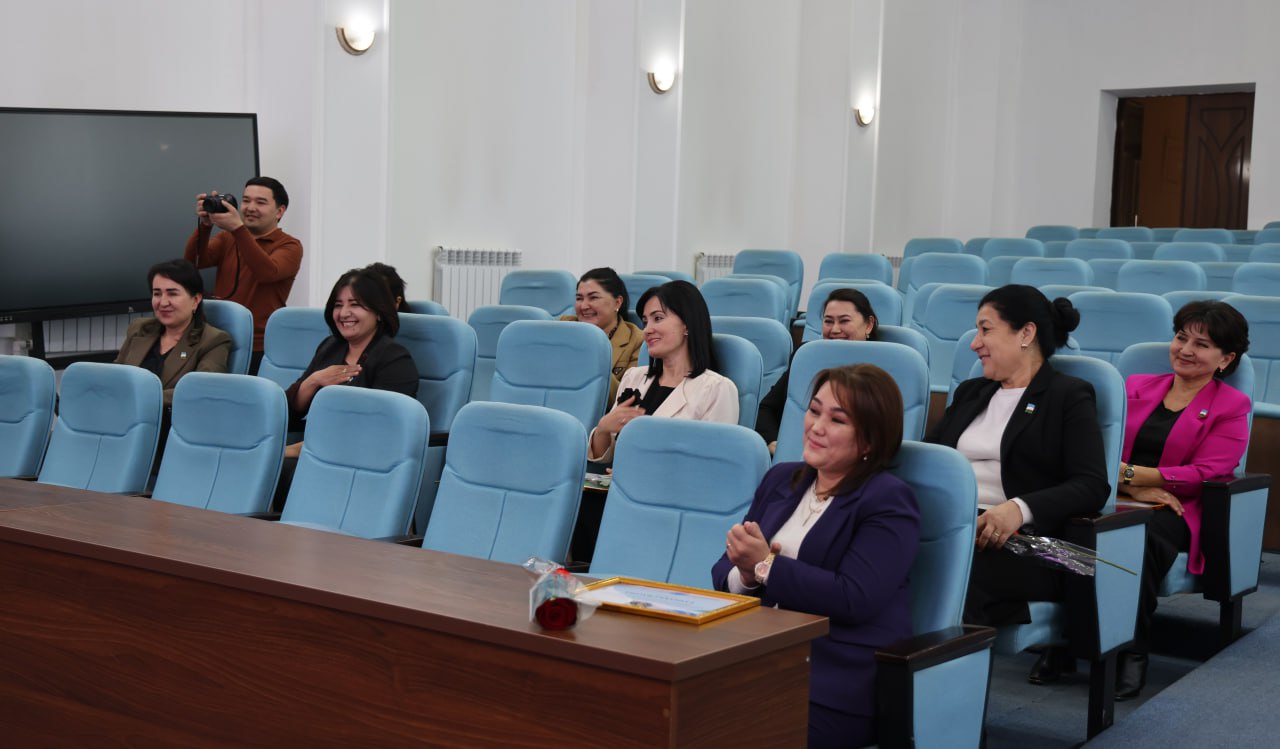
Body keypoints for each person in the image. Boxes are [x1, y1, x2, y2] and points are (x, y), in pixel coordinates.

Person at [713, 364, 919, 749]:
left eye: (837, 420)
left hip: (832, 681)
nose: (816, 427)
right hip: (754, 660)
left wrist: (765, 565)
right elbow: (727, 566)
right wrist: (748, 574)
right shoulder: (782, 478)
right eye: (814, 411)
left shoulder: (888, 499)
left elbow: (854, 597)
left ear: (870, 440)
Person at [925, 284, 1109, 685]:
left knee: (951, 572)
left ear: (1026, 333)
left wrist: (1018, 509)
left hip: (1037, 544)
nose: (974, 343)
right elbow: (930, 459)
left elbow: (1092, 484)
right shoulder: (972, 392)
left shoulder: (1068, 395)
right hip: (959, 530)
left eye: (985, 329)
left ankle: (950, 705)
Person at [1114, 300, 1250, 700]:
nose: (1185, 350)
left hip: (1177, 508)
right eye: (1180, 338)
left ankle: (1132, 650)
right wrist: (1130, 486)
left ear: (1226, 359)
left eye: (1201, 345)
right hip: (1118, 495)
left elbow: (1205, 473)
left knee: (1135, 542)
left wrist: (1132, 475)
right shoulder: (1135, 385)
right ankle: (1062, 645)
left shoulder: (1232, 405)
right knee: (1064, 523)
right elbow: (1098, 449)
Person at [587, 280, 738, 463]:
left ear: (687, 325)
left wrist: (640, 472)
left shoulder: (717, 389)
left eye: (658, 318)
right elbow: (605, 457)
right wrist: (602, 429)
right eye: (645, 322)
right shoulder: (633, 377)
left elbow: (711, 464)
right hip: (617, 481)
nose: (647, 330)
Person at [283, 269, 420, 459]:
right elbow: (287, 414)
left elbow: (380, 428)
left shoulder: (395, 360)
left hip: (362, 460)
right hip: (315, 452)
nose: (344, 313)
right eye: (338, 305)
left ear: (379, 312)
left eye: (355, 305)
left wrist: (299, 449)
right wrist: (313, 381)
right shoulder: (331, 347)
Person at [185, 176, 303, 374]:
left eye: (261, 202)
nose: (250, 208)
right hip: (217, 338)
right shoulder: (228, 237)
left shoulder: (290, 246)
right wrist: (205, 225)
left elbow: (267, 272)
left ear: (279, 211)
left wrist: (238, 229)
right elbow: (194, 262)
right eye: (246, 200)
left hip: (260, 345)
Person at [756, 288, 878, 453]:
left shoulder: (886, 365)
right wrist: (773, 442)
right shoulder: (807, 357)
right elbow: (767, 409)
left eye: (844, 321)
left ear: (869, 325)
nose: (835, 330)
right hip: (800, 452)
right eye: (828, 321)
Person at [115, 258, 231, 406]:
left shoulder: (213, 340)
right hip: (122, 412)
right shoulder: (139, 328)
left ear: (195, 300)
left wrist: (139, 398)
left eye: (172, 294)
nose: (163, 303)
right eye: (157, 294)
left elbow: (201, 391)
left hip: (171, 417)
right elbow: (116, 375)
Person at [560, 267, 644, 404]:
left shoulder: (637, 341)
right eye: (579, 298)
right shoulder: (563, 328)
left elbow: (626, 399)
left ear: (617, 302)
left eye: (593, 297)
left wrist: (589, 356)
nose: (584, 306)